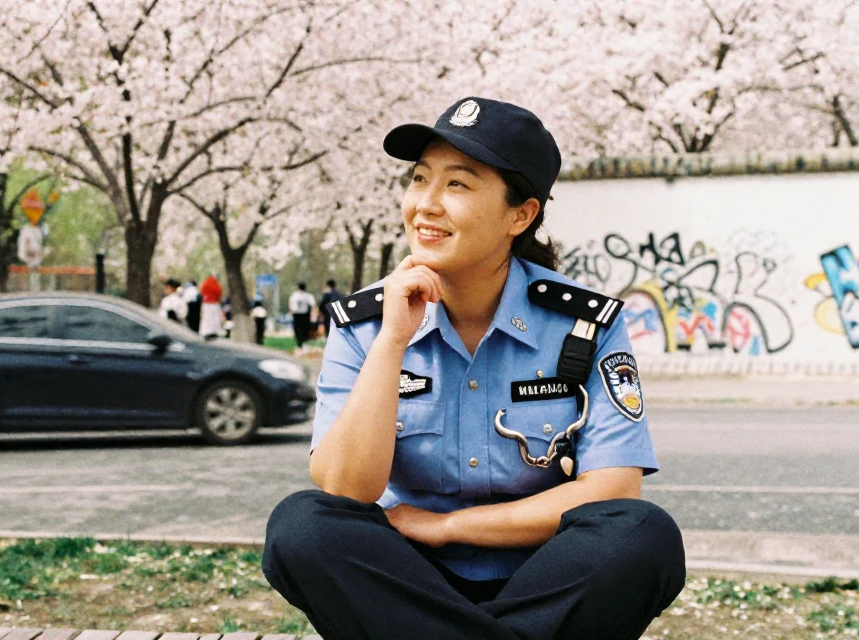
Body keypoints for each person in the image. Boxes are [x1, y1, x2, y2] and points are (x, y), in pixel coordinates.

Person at [263, 97, 685, 640]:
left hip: (544, 577)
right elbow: (345, 489)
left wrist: (447, 527)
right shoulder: (365, 324)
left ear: (520, 214)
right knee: (301, 527)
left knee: (643, 534)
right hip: (407, 579)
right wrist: (394, 339)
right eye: (419, 179)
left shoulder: (584, 323)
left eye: (457, 185)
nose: (426, 205)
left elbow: (611, 489)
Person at [288, 282, 316, 348]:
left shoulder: (294, 295)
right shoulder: (308, 295)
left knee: (297, 329)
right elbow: (313, 304)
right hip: (304, 315)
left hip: (296, 314)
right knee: (304, 329)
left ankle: (299, 342)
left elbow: (291, 305)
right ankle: (304, 341)